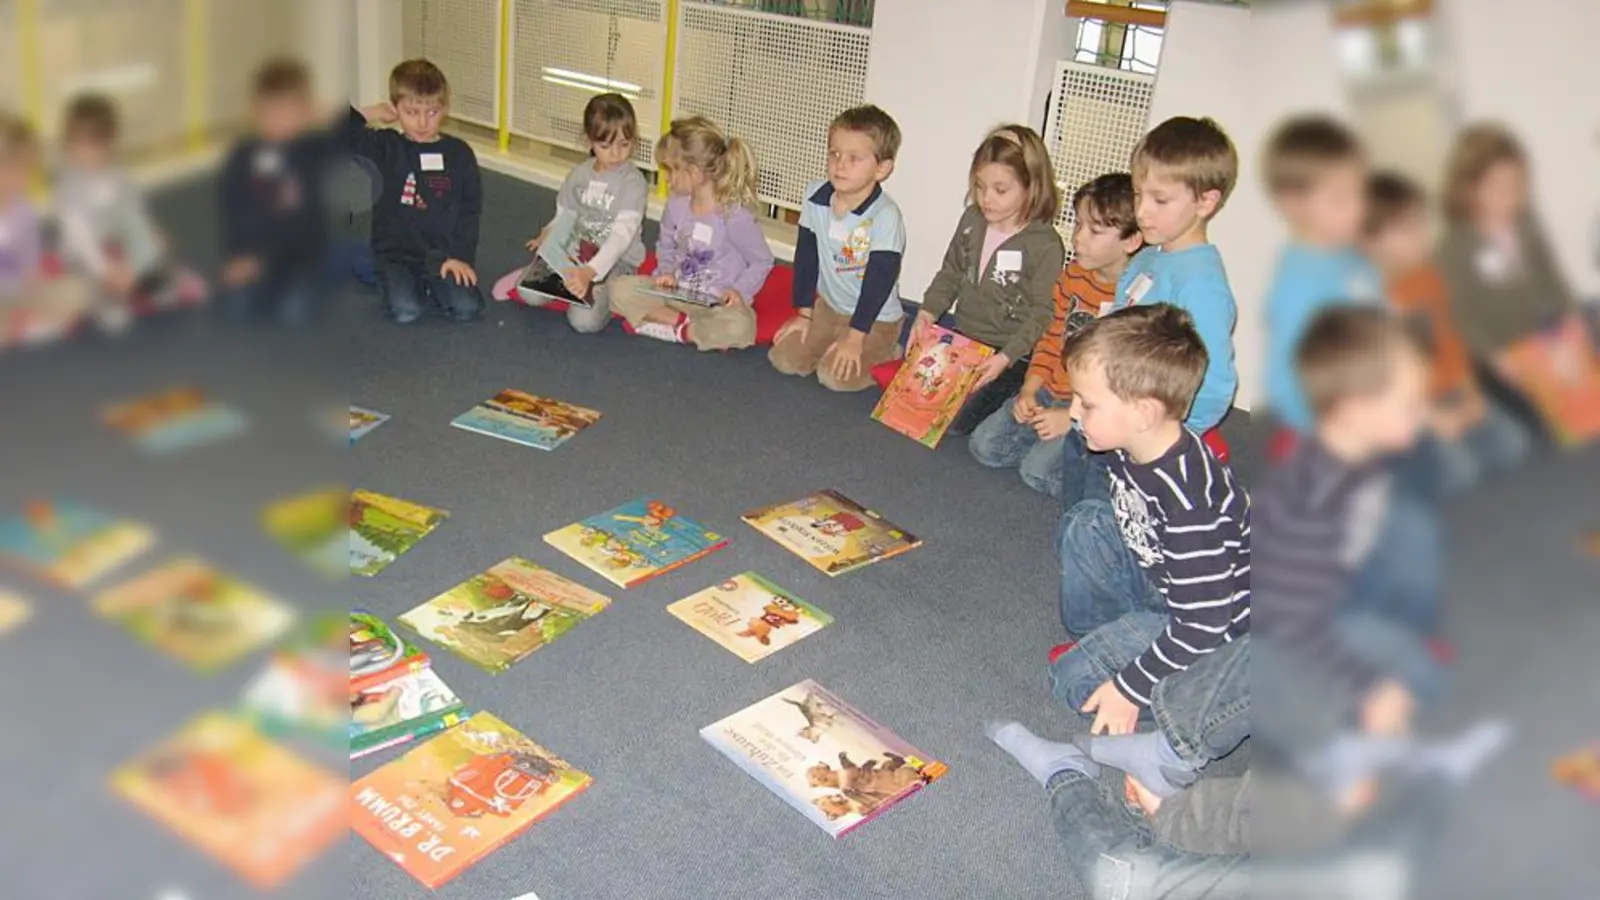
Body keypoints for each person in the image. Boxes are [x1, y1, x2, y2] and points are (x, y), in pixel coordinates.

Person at [1253, 306, 1448, 783]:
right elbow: (1287, 621)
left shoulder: (1357, 455)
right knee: (1373, 678)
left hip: (1328, 596)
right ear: (1356, 408)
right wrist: (1368, 686)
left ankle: (1363, 717)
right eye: (1409, 405)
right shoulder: (1318, 496)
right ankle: (1332, 755)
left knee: (1413, 537)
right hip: (1274, 631)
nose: (1422, 414)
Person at [1046, 304, 1250, 737]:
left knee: (1072, 680)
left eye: (1088, 403)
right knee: (1086, 525)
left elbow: (1205, 624)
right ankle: (1113, 647)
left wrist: (1130, 687)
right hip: (1167, 584)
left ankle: (1183, 702)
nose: (1076, 412)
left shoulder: (1187, 505)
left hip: (1214, 631)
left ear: (1143, 412)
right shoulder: (1129, 443)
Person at [1057, 116, 1240, 511]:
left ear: (1205, 202)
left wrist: (1168, 442)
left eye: (1159, 200)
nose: (1142, 211)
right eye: (1139, 195)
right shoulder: (1148, 259)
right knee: (1081, 504)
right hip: (1110, 416)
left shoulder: (1201, 285)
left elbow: (1216, 383)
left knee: (1113, 522)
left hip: (1143, 434)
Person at [969, 172, 1142, 498]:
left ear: (1131, 241)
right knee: (984, 446)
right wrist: (1030, 390)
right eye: (1078, 225)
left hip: (1095, 404)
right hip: (1052, 388)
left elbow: (1123, 380)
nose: (1079, 238)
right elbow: (1051, 337)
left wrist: (1072, 417)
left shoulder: (1134, 296)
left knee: (1035, 473)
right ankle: (1061, 445)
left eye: (1095, 231)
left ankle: (1117, 479)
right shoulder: (1073, 276)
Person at [1364, 171, 1530, 495]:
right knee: (1462, 475)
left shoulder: (1429, 278)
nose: (1423, 236)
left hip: (1452, 389)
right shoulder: (1372, 296)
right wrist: (1435, 420)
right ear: (1371, 241)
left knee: (1515, 448)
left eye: (1422, 224)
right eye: (1409, 229)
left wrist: (1472, 396)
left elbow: (1452, 344)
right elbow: (1385, 382)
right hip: (1412, 410)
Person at [910, 124, 1065, 434]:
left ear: (1031, 185)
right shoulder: (972, 221)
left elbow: (1042, 313)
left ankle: (1017, 393)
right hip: (965, 338)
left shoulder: (1045, 244)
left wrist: (1007, 357)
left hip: (1011, 351)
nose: (986, 198)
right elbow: (951, 272)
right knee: (919, 400)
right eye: (980, 186)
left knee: (955, 424)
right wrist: (927, 312)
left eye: (1000, 190)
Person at [1436, 122, 1587, 436]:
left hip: (1545, 332)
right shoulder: (1455, 244)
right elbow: (1464, 314)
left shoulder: (1526, 221)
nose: (1509, 198)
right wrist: (1497, 356)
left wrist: (1570, 324)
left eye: (1517, 186)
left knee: (1589, 331)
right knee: (1542, 422)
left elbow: (1552, 277)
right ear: (1467, 188)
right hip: (1502, 351)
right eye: (1496, 188)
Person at [1260, 115, 1384, 437]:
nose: (1359, 209)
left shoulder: (1352, 256)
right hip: (1334, 429)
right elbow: (1284, 383)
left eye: (1361, 194)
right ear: (1293, 204)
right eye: (1341, 200)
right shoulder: (1298, 286)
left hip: (1379, 403)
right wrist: (1326, 432)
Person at [768, 104, 906, 392]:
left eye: (854, 158)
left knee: (833, 378)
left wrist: (856, 337)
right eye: (834, 153)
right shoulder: (814, 195)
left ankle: (888, 350)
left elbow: (879, 282)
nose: (840, 164)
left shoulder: (885, 216)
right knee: (784, 358)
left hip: (875, 318)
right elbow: (806, 257)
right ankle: (835, 339)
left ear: (882, 168)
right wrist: (804, 314)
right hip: (830, 308)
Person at [607, 115, 773, 350]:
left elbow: (762, 260)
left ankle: (671, 326)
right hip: (676, 294)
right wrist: (665, 272)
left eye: (671, 169)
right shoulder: (676, 205)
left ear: (695, 173)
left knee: (741, 327)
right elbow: (665, 246)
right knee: (618, 289)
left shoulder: (734, 215)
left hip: (714, 304)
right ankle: (684, 328)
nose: (666, 177)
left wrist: (740, 292)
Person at [344, 58, 484, 325]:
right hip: (395, 254)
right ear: (396, 108)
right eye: (411, 112)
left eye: (432, 113)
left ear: (444, 109)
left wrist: (460, 257)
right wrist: (370, 113)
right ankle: (382, 271)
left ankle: (426, 282)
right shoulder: (386, 146)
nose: (422, 123)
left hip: (441, 254)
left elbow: (470, 210)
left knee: (467, 308)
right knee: (407, 311)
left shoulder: (459, 153)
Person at [216, 56, 331, 325]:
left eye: (288, 112)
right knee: (234, 310)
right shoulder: (243, 155)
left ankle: (323, 269)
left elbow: (345, 136)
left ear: (305, 112)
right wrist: (241, 255)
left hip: (298, 253)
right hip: (254, 253)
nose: (278, 121)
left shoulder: (310, 149)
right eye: (269, 112)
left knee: (293, 314)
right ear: (254, 110)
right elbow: (232, 208)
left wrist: (325, 116)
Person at [524, 92, 649, 333]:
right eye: (606, 145)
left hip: (617, 261)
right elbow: (564, 214)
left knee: (583, 322)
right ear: (589, 140)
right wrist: (547, 234)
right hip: (578, 251)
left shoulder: (633, 182)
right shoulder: (579, 175)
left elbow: (621, 238)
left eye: (625, 144)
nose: (616, 154)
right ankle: (573, 283)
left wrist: (590, 272)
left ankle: (607, 295)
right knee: (529, 293)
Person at [54, 93, 172, 327]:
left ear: (109, 144)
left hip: (117, 246)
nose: (85, 153)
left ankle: (136, 282)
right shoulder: (68, 185)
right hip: (86, 257)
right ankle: (114, 295)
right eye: (77, 144)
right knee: (84, 287)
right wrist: (107, 270)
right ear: (67, 144)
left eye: (94, 145)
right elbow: (80, 239)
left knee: (156, 240)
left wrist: (134, 262)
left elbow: (135, 217)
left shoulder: (119, 177)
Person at [0, 116, 92, 336]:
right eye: (13, 170)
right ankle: (24, 326)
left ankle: (25, 325)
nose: (21, 179)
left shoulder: (23, 212)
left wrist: (36, 281)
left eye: (25, 170)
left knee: (78, 293)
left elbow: (29, 266)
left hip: (16, 292)